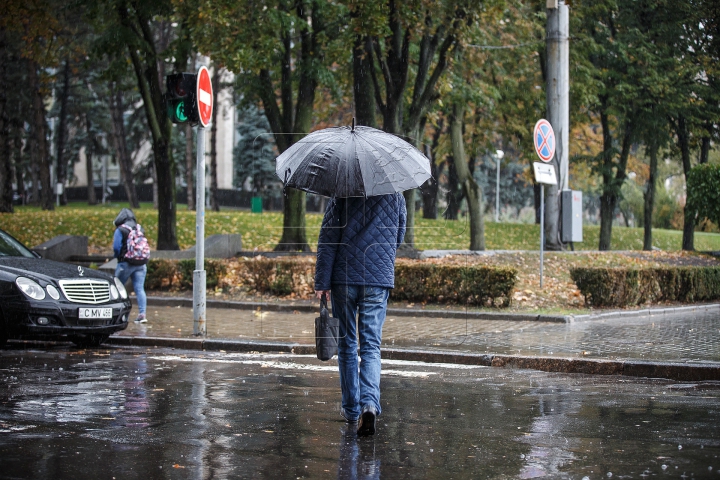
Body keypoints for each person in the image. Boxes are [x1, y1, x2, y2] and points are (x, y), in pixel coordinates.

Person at [315, 193, 406, 437]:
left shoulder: (343, 190)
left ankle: (351, 409)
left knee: (347, 345)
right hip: (377, 280)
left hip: (344, 278)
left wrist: (321, 282)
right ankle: (369, 404)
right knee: (370, 347)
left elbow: (328, 238)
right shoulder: (395, 193)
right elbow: (398, 235)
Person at [113, 208, 148, 323]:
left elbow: (116, 247)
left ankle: (116, 313)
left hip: (126, 263)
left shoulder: (121, 230)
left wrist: (118, 257)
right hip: (141, 263)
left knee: (116, 288)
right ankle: (142, 314)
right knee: (139, 289)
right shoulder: (139, 228)